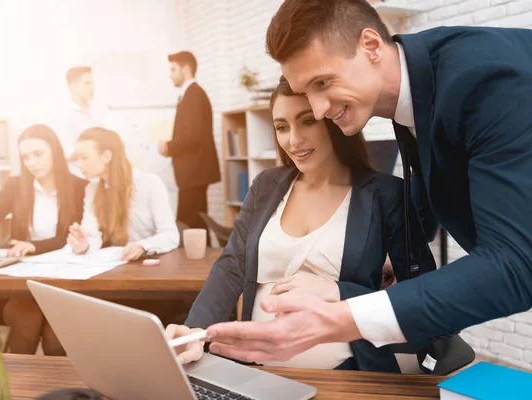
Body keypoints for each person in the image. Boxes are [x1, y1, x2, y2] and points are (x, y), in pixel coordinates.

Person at [206, 0, 532, 366]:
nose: (317, 110)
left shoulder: (486, 83)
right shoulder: (416, 87)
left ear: (371, 46)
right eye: (305, 92)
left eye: (322, 82)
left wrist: (337, 317)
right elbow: (432, 182)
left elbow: (517, 264)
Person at [164, 76, 435, 372]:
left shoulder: (386, 195)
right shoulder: (266, 185)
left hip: (346, 375)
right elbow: (232, 266)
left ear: (331, 120)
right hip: (259, 370)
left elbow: (422, 295)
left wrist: (338, 292)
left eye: (307, 121)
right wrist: (194, 331)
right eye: (282, 127)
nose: (293, 140)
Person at [0, 124, 87, 355]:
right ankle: (15, 389)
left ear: (55, 151)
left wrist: (35, 246)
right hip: (23, 283)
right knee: (26, 316)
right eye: (25, 157)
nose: (32, 163)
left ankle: (58, 390)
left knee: (56, 332)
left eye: (38, 154)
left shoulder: (80, 187)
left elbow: (79, 237)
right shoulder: (16, 185)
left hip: (66, 280)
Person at [67, 127, 179, 259]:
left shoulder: (149, 183)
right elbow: (92, 235)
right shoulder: (92, 189)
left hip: (151, 265)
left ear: (106, 156)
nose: (79, 164)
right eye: (77, 158)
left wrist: (142, 246)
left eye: (84, 158)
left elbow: (170, 235)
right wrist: (84, 244)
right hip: (116, 266)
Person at [158, 51, 220, 232]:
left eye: (173, 69)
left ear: (186, 69)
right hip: (194, 173)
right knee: (198, 224)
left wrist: (168, 146)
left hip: (194, 172)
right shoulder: (191, 94)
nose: (170, 75)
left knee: (186, 225)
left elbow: (192, 135)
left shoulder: (193, 94)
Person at [59, 66, 108, 160]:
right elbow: (68, 154)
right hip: (78, 173)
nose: (92, 88)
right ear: (73, 86)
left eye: (92, 83)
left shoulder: (99, 110)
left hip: (100, 170)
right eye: (87, 84)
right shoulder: (65, 116)